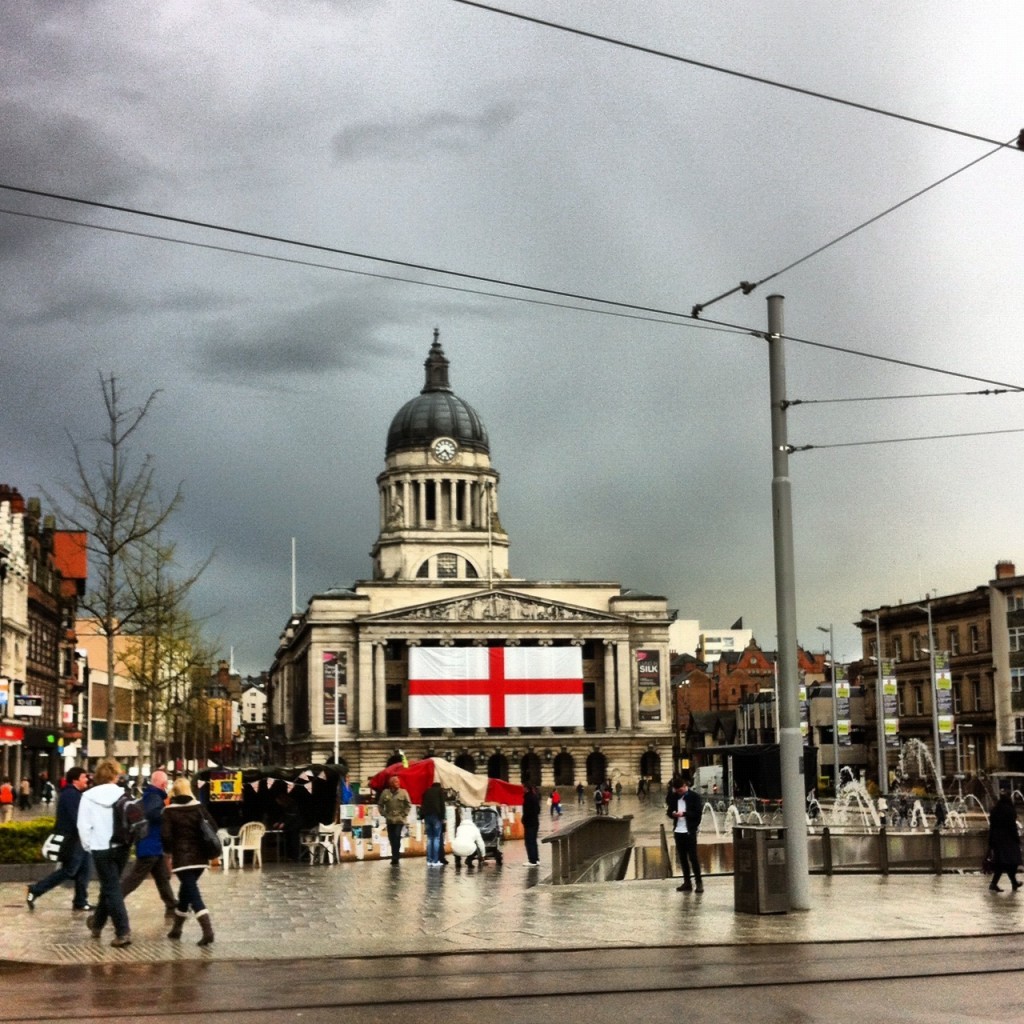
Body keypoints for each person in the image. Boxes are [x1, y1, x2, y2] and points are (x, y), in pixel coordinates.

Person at [78, 757, 133, 947]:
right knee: (110, 886)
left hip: (100, 847)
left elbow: (83, 826)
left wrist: (88, 846)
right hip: (122, 847)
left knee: (111, 887)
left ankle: (123, 931)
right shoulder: (123, 794)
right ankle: (97, 923)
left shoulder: (88, 796)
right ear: (115, 775)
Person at [26, 766, 92, 912]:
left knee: (84, 870)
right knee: (69, 870)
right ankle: (35, 889)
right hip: (73, 840)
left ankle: (81, 901)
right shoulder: (70, 795)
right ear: (75, 779)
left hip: (80, 839)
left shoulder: (75, 794)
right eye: (84, 777)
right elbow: (77, 819)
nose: (87, 779)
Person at [162, 776, 218, 945]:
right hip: (200, 858)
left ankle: (207, 930)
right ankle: (176, 929)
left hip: (182, 859)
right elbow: (213, 827)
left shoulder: (169, 811)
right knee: (186, 891)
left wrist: (169, 853)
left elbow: (166, 836)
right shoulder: (199, 808)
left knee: (192, 891)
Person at [120, 770, 177, 916]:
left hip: (153, 846)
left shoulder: (151, 795)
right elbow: (152, 814)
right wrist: (167, 813)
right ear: (164, 784)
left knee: (162, 876)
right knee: (134, 879)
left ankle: (172, 905)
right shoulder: (154, 796)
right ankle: (112, 902)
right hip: (149, 845)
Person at [667, 775, 703, 893]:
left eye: (680, 790)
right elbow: (669, 811)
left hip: (689, 831)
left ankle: (699, 883)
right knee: (682, 858)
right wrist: (673, 814)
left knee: (693, 857)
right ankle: (687, 882)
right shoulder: (674, 797)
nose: (679, 793)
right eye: (677, 791)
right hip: (678, 831)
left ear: (685, 786)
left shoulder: (694, 797)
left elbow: (697, 814)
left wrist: (685, 814)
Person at [986, 791, 1022, 893]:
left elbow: (992, 827)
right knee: (1012, 862)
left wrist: (991, 841)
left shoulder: (995, 810)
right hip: (1009, 840)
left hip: (997, 839)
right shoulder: (1010, 811)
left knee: (1002, 862)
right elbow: (1012, 827)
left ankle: (1011, 882)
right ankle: (1005, 882)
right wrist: (1017, 839)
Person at [378, 776, 412, 866]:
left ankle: (395, 857)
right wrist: (384, 814)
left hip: (399, 819)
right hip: (389, 819)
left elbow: (408, 805)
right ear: (391, 783)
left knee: (397, 836)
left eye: (398, 782)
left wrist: (404, 814)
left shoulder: (403, 792)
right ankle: (394, 854)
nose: (398, 783)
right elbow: (380, 805)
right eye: (396, 782)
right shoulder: (385, 793)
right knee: (391, 838)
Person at [421, 780, 446, 867]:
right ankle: (435, 861)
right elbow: (442, 805)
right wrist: (443, 817)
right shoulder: (440, 791)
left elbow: (422, 804)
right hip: (436, 816)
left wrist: (422, 816)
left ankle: (429, 860)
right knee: (436, 838)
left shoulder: (427, 791)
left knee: (429, 838)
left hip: (427, 816)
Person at [521, 784, 541, 866]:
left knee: (529, 842)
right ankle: (536, 859)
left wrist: (523, 819)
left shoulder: (528, 798)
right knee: (533, 841)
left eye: (523, 787)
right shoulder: (534, 796)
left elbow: (527, 812)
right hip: (535, 822)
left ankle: (532, 860)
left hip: (530, 823)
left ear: (526, 788)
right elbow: (538, 810)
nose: (522, 789)